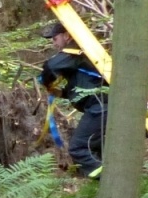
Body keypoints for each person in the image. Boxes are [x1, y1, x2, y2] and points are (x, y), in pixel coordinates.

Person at [38, 20, 107, 177]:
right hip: (101, 105)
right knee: (95, 145)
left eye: (55, 39)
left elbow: (50, 67)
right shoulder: (81, 55)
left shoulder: (75, 51)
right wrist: (61, 93)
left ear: (66, 35)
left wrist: (47, 83)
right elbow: (84, 83)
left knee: (78, 148)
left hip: (100, 107)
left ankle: (109, 180)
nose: (54, 44)